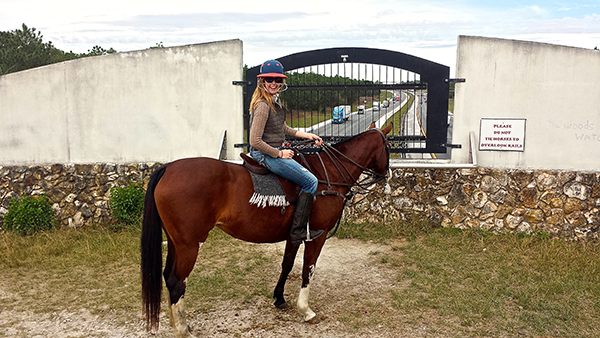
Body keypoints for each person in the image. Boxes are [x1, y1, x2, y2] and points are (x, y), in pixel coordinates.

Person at [248, 59, 324, 246]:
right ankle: (298, 231)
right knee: (311, 181)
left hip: (273, 150)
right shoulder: (263, 105)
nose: (273, 83)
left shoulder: (273, 102)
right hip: (264, 154)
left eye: (277, 79)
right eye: (269, 79)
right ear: (262, 82)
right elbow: (254, 141)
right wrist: (279, 154)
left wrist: (308, 135)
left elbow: (283, 129)